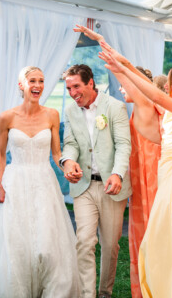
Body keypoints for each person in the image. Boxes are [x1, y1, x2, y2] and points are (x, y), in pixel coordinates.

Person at [100, 50, 172, 297]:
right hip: (171, 183)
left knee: (166, 245)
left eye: (169, 87)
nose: (164, 91)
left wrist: (121, 69)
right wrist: (126, 63)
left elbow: (150, 93)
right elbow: (149, 95)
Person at [73, 24, 163, 298]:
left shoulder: (146, 107)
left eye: (127, 85)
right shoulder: (140, 109)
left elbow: (125, 73)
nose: (122, 88)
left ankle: (157, 287)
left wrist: (103, 42)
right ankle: (146, 288)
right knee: (141, 238)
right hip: (139, 178)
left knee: (152, 235)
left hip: (151, 180)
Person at [0, 66, 79, 298]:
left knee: (47, 240)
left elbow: (56, 153)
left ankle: (52, 289)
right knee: (16, 241)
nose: (38, 85)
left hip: (44, 181)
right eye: (32, 80)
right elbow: (1, 155)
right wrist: (1, 186)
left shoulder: (52, 114)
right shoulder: (7, 117)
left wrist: (66, 165)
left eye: (41, 81)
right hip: (16, 182)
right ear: (21, 85)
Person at [60, 62, 131, 298]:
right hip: (84, 187)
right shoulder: (71, 111)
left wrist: (117, 173)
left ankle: (104, 293)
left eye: (76, 87)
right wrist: (68, 162)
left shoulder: (115, 107)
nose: (72, 93)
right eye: (68, 88)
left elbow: (123, 145)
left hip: (112, 185)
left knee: (110, 246)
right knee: (84, 242)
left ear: (91, 83)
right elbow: (69, 143)